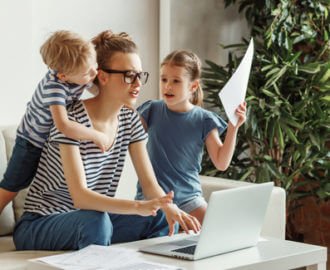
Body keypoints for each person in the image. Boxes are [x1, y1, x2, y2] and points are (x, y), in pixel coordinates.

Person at [13, 30, 200, 251]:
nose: (138, 83)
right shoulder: (71, 120)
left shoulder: (129, 119)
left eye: (140, 75)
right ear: (102, 76)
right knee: (96, 221)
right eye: (129, 75)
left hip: (88, 219)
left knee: (158, 217)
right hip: (40, 223)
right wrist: (138, 206)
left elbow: (150, 184)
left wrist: (170, 208)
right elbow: (80, 198)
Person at [0, 30, 110, 214]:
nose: (94, 73)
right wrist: (96, 135)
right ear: (63, 76)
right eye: (87, 73)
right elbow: (63, 125)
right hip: (30, 142)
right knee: (13, 185)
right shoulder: (54, 88)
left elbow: (99, 92)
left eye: (95, 64)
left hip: (48, 142)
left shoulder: (81, 72)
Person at [135, 50, 247, 224]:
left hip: (189, 200)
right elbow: (124, 135)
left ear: (193, 86)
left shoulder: (204, 119)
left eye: (176, 81)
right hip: (152, 200)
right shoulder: (151, 110)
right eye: (164, 79)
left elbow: (221, 162)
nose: (167, 86)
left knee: (217, 229)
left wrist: (234, 127)